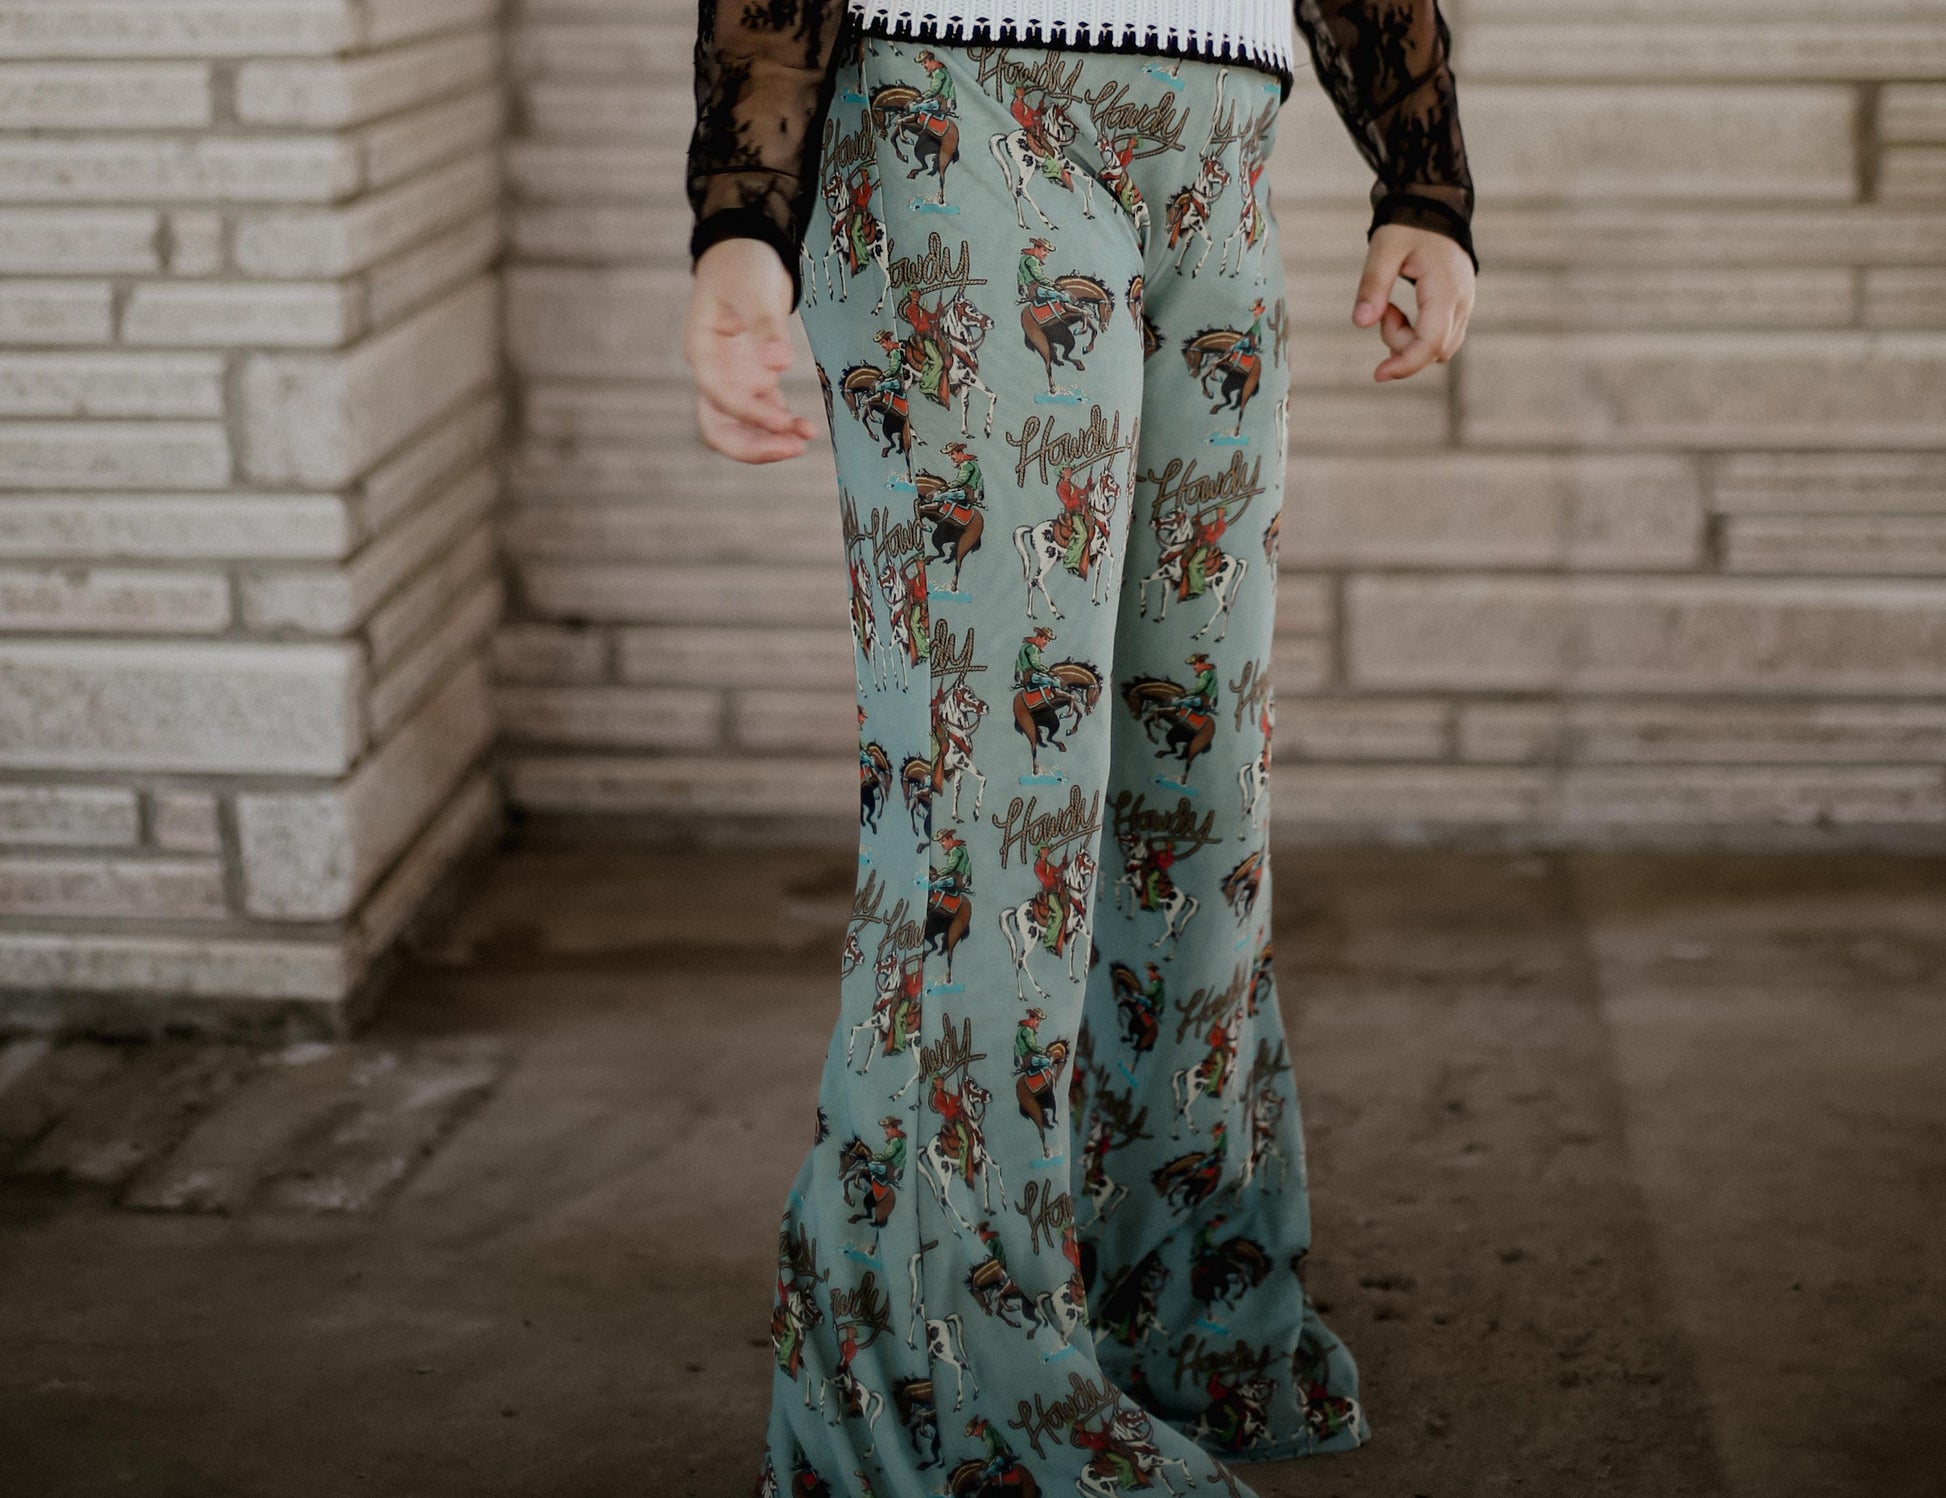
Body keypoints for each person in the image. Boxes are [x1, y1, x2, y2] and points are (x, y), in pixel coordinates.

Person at [683, 1, 1476, 1493]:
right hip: (955, 102)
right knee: (994, 796)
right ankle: (944, 1393)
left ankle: (1172, 1312)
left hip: (1220, 138)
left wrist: (1422, 175)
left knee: (1196, 784)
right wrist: (743, 215)